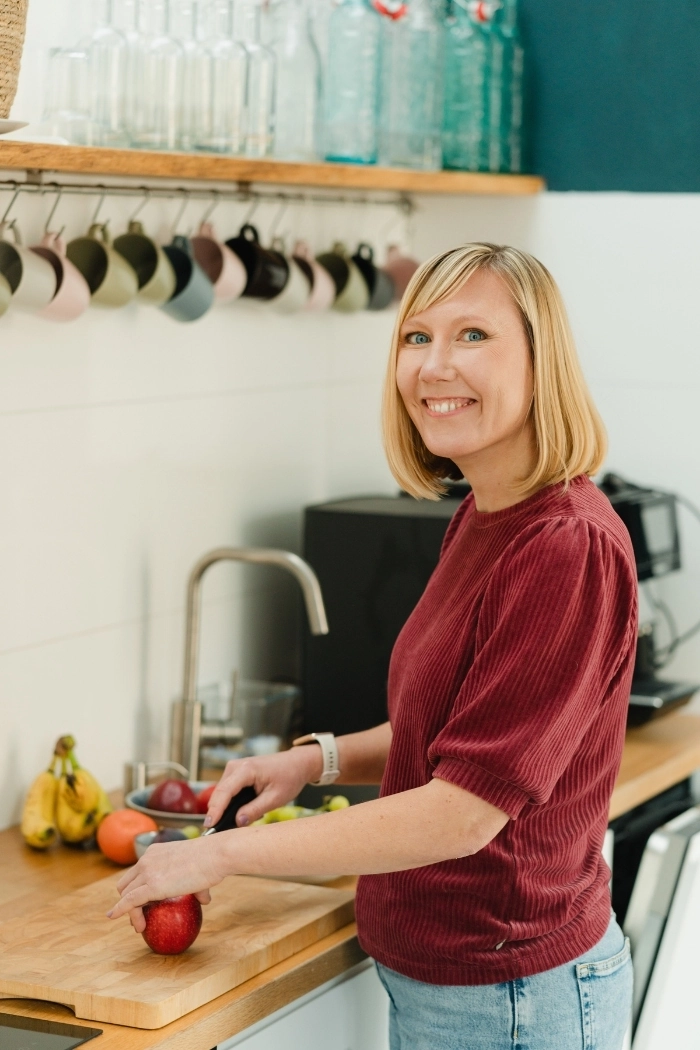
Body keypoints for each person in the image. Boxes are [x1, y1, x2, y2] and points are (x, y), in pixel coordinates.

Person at [109, 243, 637, 1050]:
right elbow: (459, 734)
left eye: (472, 336)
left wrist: (222, 858)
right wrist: (312, 761)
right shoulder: (487, 514)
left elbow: (462, 814)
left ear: (541, 359)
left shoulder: (563, 546)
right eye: (416, 338)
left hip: (511, 995)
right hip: (465, 984)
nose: (434, 366)